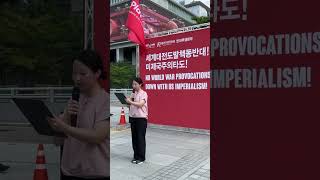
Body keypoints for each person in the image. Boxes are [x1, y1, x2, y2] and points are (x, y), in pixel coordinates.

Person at [48, 50, 110, 180]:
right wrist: (62, 121)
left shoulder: (105, 101)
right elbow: (57, 141)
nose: (77, 78)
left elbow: (97, 136)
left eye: (83, 73)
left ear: (97, 73)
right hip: (69, 172)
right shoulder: (74, 99)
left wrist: (64, 127)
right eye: (74, 73)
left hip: (96, 174)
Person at [125, 77, 148, 165]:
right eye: (133, 84)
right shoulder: (133, 93)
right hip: (133, 117)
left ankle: (141, 158)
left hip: (141, 119)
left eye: (135, 84)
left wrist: (131, 102)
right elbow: (130, 105)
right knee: (134, 138)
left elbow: (141, 104)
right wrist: (127, 102)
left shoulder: (144, 93)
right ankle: (136, 156)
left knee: (140, 138)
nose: (133, 86)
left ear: (140, 84)